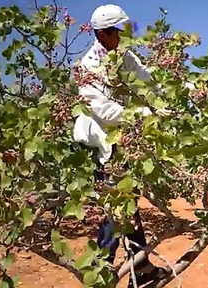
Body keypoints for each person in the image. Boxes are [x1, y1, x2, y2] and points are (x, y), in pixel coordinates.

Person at [72, 4, 169, 288]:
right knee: (114, 212)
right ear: (102, 34)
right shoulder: (87, 68)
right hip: (102, 145)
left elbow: (148, 80)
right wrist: (147, 114)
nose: (125, 35)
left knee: (127, 207)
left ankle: (142, 270)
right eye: (120, 30)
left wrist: (171, 96)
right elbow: (106, 113)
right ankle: (103, 273)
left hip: (123, 143)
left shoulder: (124, 56)